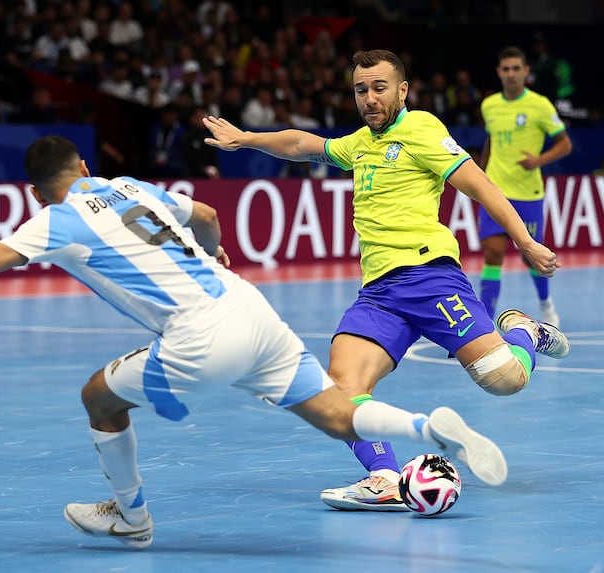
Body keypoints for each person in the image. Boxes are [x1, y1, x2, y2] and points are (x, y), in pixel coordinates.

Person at [0, 134, 507, 548]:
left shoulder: (56, 220)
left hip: (198, 336)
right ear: (87, 163)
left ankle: (131, 517)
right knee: (334, 410)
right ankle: (428, 427)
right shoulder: (127, 185)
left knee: (98, 397)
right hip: (248, 305)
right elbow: (209, 214)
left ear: (36, 191)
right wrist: (215, 261)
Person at [203, 49, 570, 512]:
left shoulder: (422, 129)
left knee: (504, 379)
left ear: (402, 90)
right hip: (379, 294)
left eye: (380, 88)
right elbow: (301, 144)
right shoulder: (358, 143)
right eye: (361, 90)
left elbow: (480, 185)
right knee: (340, 388)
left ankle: (523, 331)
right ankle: (384, 477)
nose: (370, 98)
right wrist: (245, 138)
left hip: (430, 277)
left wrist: (524, 242)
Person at [478, 46, 572, 326]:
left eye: (516, 69)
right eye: (505, 69)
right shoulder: (489, 105)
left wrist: (539, 160)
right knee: (492, 254)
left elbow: (564, 144)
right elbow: (490, 141)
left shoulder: (540, 105)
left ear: (526, 71)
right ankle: (484, 323)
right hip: (495, 191)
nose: (511, 74)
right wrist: (480, 175)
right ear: (498, 72)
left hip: (528, 194)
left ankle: (545, 304)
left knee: (532, 257)